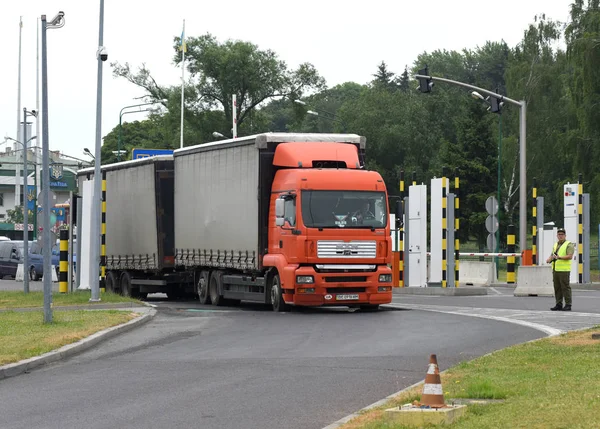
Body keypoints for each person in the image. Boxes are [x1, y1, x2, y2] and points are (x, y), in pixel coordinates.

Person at [546, 227, 575, 311]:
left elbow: (570, 256)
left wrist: (560, 257)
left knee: (565, 287)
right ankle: (558, 304)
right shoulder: (556, 244)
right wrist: (549, 259)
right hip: (556, 269)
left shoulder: (569, 244)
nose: (560, 236)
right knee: (557, 287)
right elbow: (553, 254)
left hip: (564, 270)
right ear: (557, 235)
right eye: (559, 234)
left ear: (565, 235)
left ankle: (568, 304)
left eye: (562, 234)